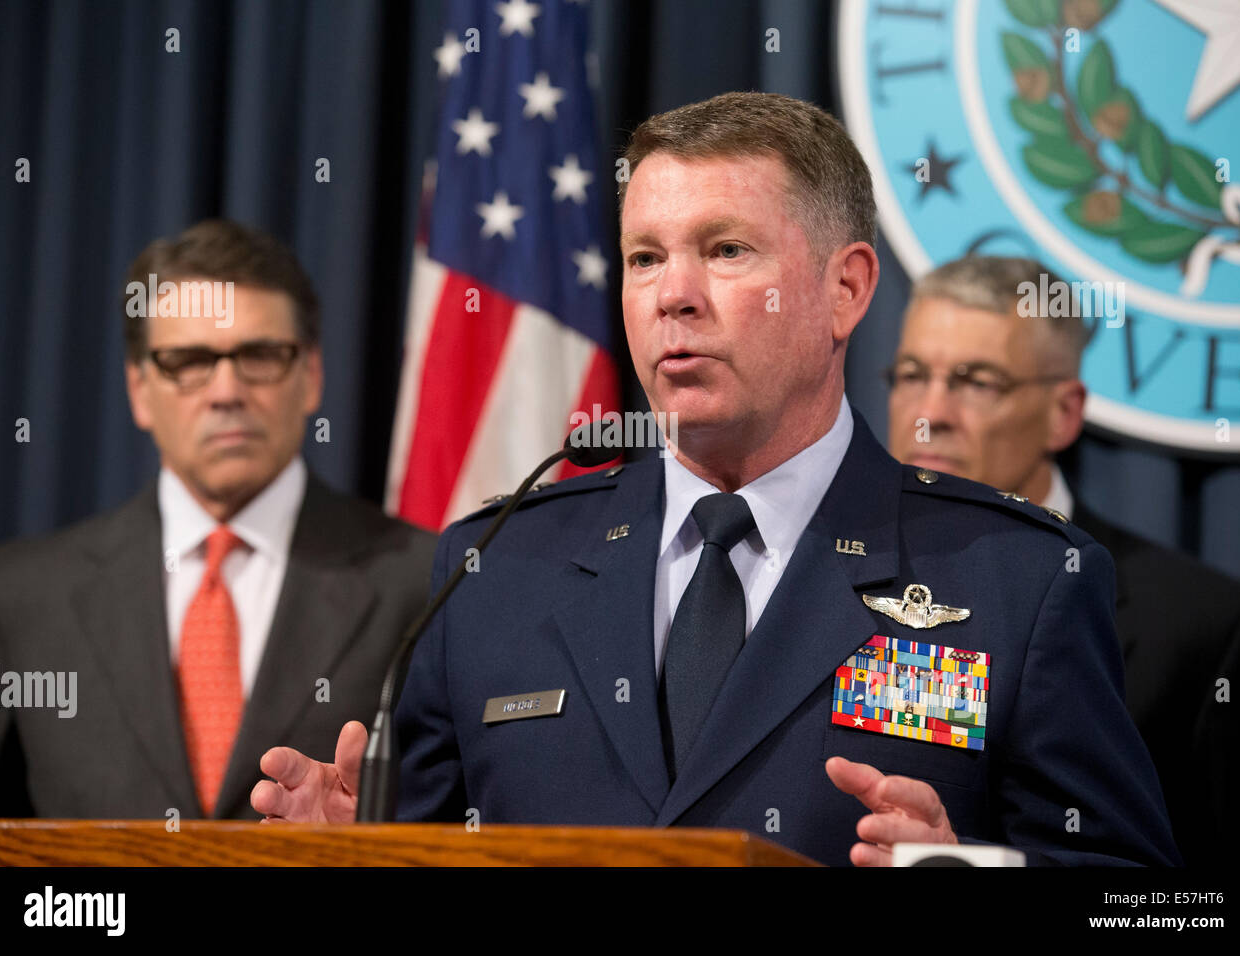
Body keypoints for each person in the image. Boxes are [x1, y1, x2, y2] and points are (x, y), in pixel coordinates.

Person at [252, 93, 1179, 867]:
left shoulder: (1015, 581)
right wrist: (357, 859)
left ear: (847, 290)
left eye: (726, 250)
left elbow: (1155, 909)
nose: (672, 295)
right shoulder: (495, 569)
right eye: (646, 257)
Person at [0, 219, 436, 820]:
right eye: (189, 360)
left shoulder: (426, 580)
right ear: (139, 389)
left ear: (313, 375)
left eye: (260, 355)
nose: (226, 391)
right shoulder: (16, 593)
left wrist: (371, 840)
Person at [885, 254, 1240, 866]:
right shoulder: (836, 572)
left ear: (1064, 413)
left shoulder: (1205, 626)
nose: (932, 415)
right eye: (910, 375)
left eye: (978, 382)